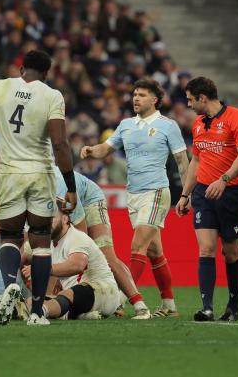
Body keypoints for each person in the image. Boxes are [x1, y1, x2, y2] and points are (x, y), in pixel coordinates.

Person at [0, 49, 76, 326]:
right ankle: (37, 311)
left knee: (11, 237)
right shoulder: (52, 96)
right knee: (40, 240)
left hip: (10, 174)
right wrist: (70, 185)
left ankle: (9, 285)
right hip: (40, 173)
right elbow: (60, 144)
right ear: (47, 73)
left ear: (21, 67)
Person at [81, 78, 189, 316]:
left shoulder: (167, 125)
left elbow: (182, 161)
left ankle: (122, 299)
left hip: (157, 192)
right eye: (134, 94)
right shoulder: (126, 124)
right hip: (134, 194)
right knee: (154, 252)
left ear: (155, 99)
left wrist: (187, 193)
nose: (136, 98)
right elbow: (105, 148)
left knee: (137, 246)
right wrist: (91, 150)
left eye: (141, 94)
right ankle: (169, 305)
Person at [176, 77, 238, 322]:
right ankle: (207, 308)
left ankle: (232, 306)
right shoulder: (198, 123)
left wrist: (224, 179)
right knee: (206, 249)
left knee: (230, 252)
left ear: (203, 98)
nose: (188, 105)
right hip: (203, 193)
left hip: (232, 193)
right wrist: (185, 194)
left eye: (190, 99)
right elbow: (196, 161)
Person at [57, 167, 151, 319]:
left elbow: (81, 236)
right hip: (69, 205)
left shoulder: (58, 185)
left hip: (90, 200)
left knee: (106, 256)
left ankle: (140, 305)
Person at [24, 209, 120, 320]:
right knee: (32, 300)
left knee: (69, 294)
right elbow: (21, 256)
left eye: (51, 218)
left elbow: (77, 266)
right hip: (73, 296)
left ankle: (39, 313)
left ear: (65, 218)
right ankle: (79, 315)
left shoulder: (77, 237)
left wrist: (41, 269)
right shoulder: (47, 241)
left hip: (104, 292)